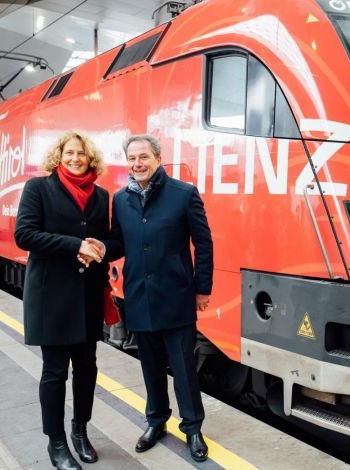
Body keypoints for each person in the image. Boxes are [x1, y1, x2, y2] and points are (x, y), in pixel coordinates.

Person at [86, 134, 213, 462]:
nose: (137, 164)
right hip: (140, 296)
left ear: (158, 158)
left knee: (184, 368)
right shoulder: (121, 199)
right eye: (132, 158)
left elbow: (203, 243)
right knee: (151, 366)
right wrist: (102, 247)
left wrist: (202, 289)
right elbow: (120, 242)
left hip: (176, 296)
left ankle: (193, 428)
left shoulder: (184, 194)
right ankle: (156, 421)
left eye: (143, 157)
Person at [14, 131, 109, 470]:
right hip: (51, 297)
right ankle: (56, 443)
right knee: (55, 372)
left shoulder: (101, 195)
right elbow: (24, 234)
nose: (75, 158)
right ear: (59, 155)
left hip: (87, 296)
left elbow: (103, 238)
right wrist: (75, 245)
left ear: (90, 157)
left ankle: (80, 431)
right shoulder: (38, 188)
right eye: (69, 152)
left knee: (87, 368)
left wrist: (97, 248)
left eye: (81, 153)